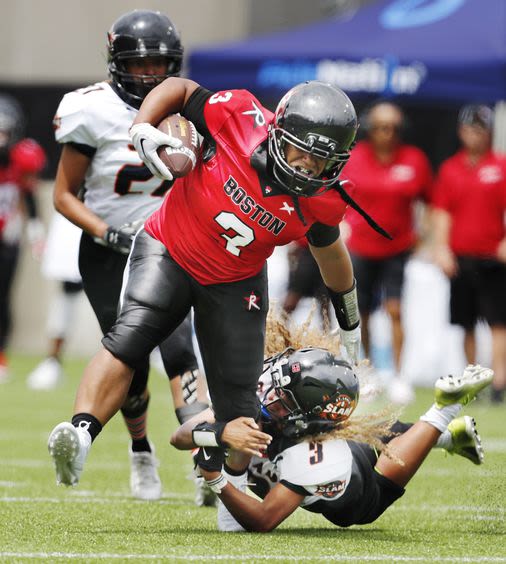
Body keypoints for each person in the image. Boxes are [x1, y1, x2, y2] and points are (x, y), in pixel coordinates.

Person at [47, 78, 382, 493]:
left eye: (320, 162)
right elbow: (179, 89)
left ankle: (230, 488)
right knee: (130, 336)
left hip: (236, 282)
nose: (307, 169)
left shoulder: (323, 199)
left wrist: (350, 327)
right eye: (302, 153)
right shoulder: (238, 116)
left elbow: (332, 258)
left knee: (240, 402)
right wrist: (142, 125)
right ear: (279, 132)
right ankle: (80, 434)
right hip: (169, 248)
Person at [46, 10, 211, 503]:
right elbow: (63, 195)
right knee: (132, 363)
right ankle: (141, 449)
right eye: (140, 66)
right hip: (107, 251)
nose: (150, 76)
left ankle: (209, 464)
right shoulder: (89, 109)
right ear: (118, 63)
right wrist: (108, 231)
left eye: (160, 65)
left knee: (181, 349)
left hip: (169, 247)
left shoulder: (188, 108)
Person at [172, 347, 492, 532]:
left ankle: (442, 413)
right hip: (341, 446)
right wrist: (219, 431)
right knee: (377, 435)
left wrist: (217, 480)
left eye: (281, 399)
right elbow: (179, 437)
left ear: (305, 415)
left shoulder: (315, 457)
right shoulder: (268, 406)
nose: (266, 395)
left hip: (349, 489)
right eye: (273, 382)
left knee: (376, 495)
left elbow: (262, 519)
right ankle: (447, 437)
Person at [342, 101, 433, 404]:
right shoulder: (355, 158)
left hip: (397, 248)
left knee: (395, 310)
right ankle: (367, 373)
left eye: (393, 127)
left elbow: (430, 201)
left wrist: (425, 236)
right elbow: (336, 194)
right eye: (382, 127)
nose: (388, 133)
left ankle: (398, 375)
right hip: (361, 247)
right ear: (371, 129)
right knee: (362, 313)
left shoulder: (414, 159)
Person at [432, 104, 506, 404]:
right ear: (461, 132)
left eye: (479, 129)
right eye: (469, 128)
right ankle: (474, 379)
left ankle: (499, 381)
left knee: (499, 322)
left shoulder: (500, 166)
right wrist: (442, 248)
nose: (474, 134)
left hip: (493, 257)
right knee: (466, 322)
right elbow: (441, 212)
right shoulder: (451, 169)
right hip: (462, 257)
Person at [0, 93, 46, 382]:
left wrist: (35, 230)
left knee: (3, 298)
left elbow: (29, 194)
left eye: (3, 131)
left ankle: (1, 356)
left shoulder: (24, 157)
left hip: (7, 238)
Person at [27, 212, 83, 390]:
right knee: (68, 291)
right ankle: (53, 360)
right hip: (77, 218)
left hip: (119, 215)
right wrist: (35, 229)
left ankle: (152, 353)